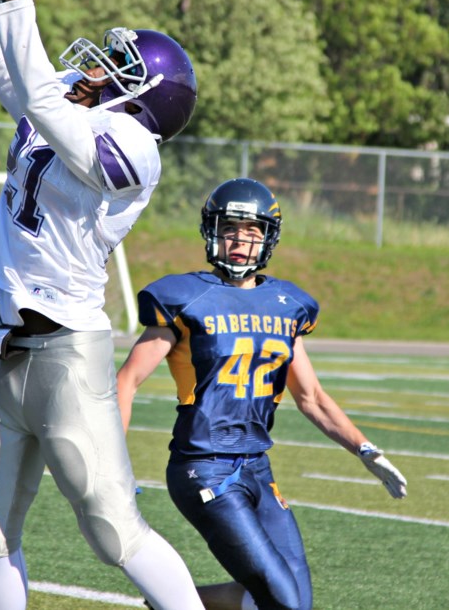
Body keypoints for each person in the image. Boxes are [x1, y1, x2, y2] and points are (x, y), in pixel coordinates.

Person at [0, 0, 204, 610]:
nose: (96, 66)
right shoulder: (67, 102)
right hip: (6, 349)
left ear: (143, 96)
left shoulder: (135, 150)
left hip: (67, 351)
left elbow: (40, 96)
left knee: (112, 529)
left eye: (118, 65)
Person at [117, 177, 409, 610]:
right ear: (211, 232)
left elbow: (310, 397)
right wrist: (113, 468)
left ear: (268, 239)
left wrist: (365, 449)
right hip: (205, 468)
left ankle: (171, 603)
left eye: (252, 232)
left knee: (293, 600)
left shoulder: (286, 304)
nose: (240, 240)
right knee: (284, 602)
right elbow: (127, 381)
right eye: (230, 229)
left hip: (257, 467)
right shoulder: (184, 296)